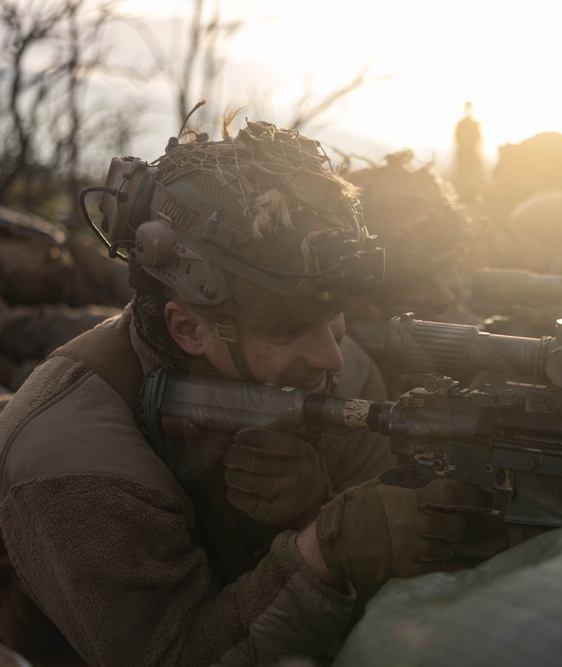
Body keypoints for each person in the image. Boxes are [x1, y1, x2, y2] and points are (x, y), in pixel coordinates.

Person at [0, 120, 493, 666]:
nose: (331, 355)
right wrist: (320, 550)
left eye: (333, 317)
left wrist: (315, 504)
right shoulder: (74, 463)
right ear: (188, 328)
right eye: (285, 330)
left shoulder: (334, 365)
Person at [343, 151, 478, 386]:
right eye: (417, 280)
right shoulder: (346, 371)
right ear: (361, 296)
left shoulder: (473, 329)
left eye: (451, 266)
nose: (445, 295)